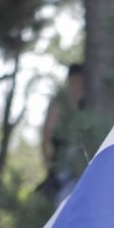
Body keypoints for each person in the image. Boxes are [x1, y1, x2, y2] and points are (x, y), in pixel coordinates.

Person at [39, 63, 86, 208]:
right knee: (64, 209)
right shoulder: (61, 101)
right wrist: (50, 168)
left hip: (82, 165)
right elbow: (47, 134)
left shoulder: (85, 102)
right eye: (76, 80)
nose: (78, 84)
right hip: (64, 167)